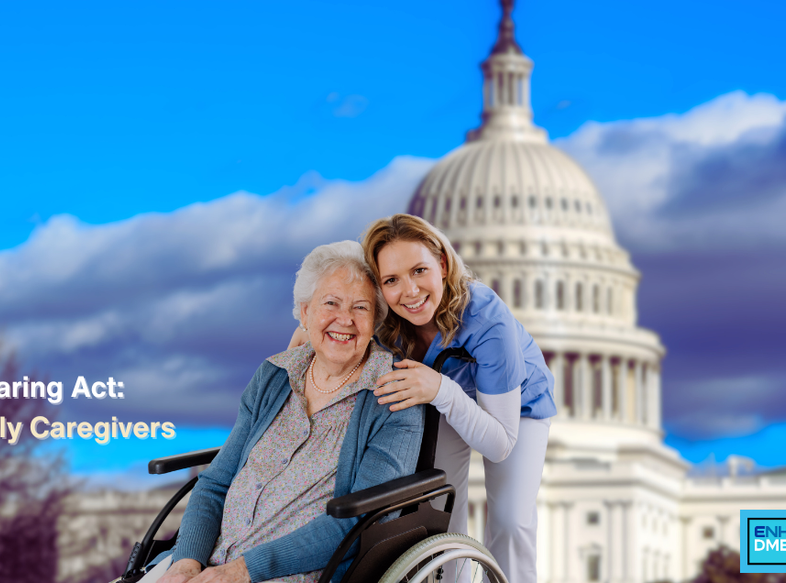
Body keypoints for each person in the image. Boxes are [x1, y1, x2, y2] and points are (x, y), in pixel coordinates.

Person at [289, 214, 555, 583]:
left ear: (442, 264)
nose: (410, 291)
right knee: (439, 507)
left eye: (419, 271)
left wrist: (442, 390)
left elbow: (499, 445)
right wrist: (302, 346)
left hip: (515, 409)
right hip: (438, 397)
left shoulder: (487, 321)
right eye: (392, 280)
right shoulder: (384, 316)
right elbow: (323, 327)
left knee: (511, 521)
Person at [147, 240, 424, 583]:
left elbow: (361, 520)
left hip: (293, 572)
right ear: (305, 313)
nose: (345, 319)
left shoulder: (394, 395)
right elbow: (216, 484)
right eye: (331, 303)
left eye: (361, 308)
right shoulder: (274, 375)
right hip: (209, 561)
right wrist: (186, 562)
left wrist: (242, 571)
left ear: (375, 321)